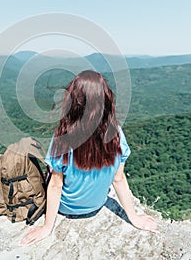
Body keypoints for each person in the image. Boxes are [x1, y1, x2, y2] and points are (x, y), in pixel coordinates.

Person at [20, 70, 158, 246]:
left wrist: (47, 227)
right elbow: (119, 179)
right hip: (96, 206)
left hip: (65, 208)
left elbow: (55, 185)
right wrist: (135, 218)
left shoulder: (63, 136)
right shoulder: (116, 135)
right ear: (105, 100)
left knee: (53, 169)